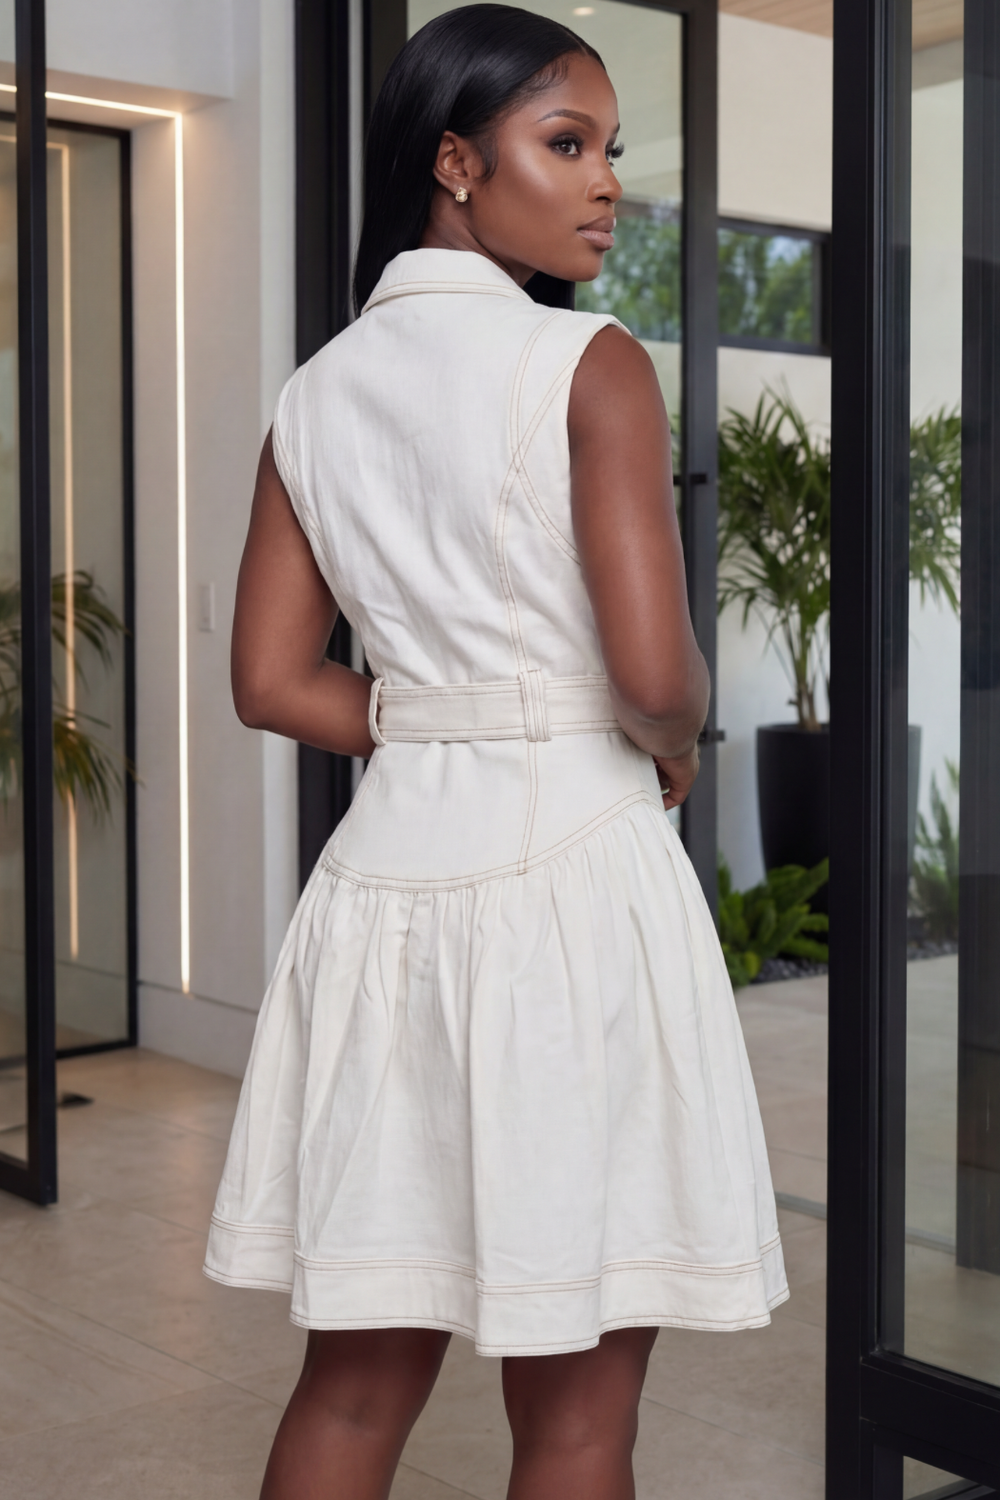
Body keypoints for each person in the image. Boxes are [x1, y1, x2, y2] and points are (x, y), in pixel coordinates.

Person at [204, 7, 788, 1497]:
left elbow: (269, 682)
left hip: (381, 899)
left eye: (609, 150)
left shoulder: (315, 395)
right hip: (571, 894)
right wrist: (669, 738)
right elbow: (653, 674)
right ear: (456, 163)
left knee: (351, 1390)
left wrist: (426, 715)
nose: (607, 183)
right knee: (577, 1416)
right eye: (566, 142)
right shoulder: (588, 361)